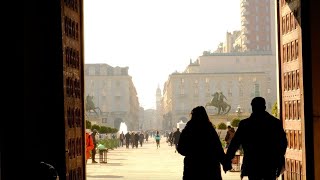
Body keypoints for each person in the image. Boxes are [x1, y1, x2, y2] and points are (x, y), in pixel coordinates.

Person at [223, 97, 288, 180]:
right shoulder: (275, 123)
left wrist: (227, 160)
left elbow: (235, 144)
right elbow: (283, 143)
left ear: (252, 107)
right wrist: (279, 159)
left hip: (252, 164)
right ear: (264, 107)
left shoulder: (245, 124)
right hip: (270, 163)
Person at [177, 106, 225, 180]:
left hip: (192, 167)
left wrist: (191, 153)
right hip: (210, 167)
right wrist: (225, 162)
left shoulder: (188, 129)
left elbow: (180, 148)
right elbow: (218, 148)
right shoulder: (209, 129)